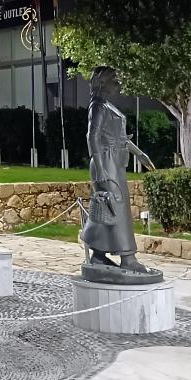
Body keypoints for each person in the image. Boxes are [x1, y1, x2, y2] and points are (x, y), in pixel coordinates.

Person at [80, 66, 155, 274]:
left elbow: (121, 138)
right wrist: (101, 168)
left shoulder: (105, 105)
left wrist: (140, 154)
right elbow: (92, 136)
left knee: (110, 208)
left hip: (113, 163)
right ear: (102, 82)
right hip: (106, 163)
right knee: (116, 208)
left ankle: (98, 255)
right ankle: (128, 258)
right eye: (114, 79)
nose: (118, 83)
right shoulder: (97, 106)